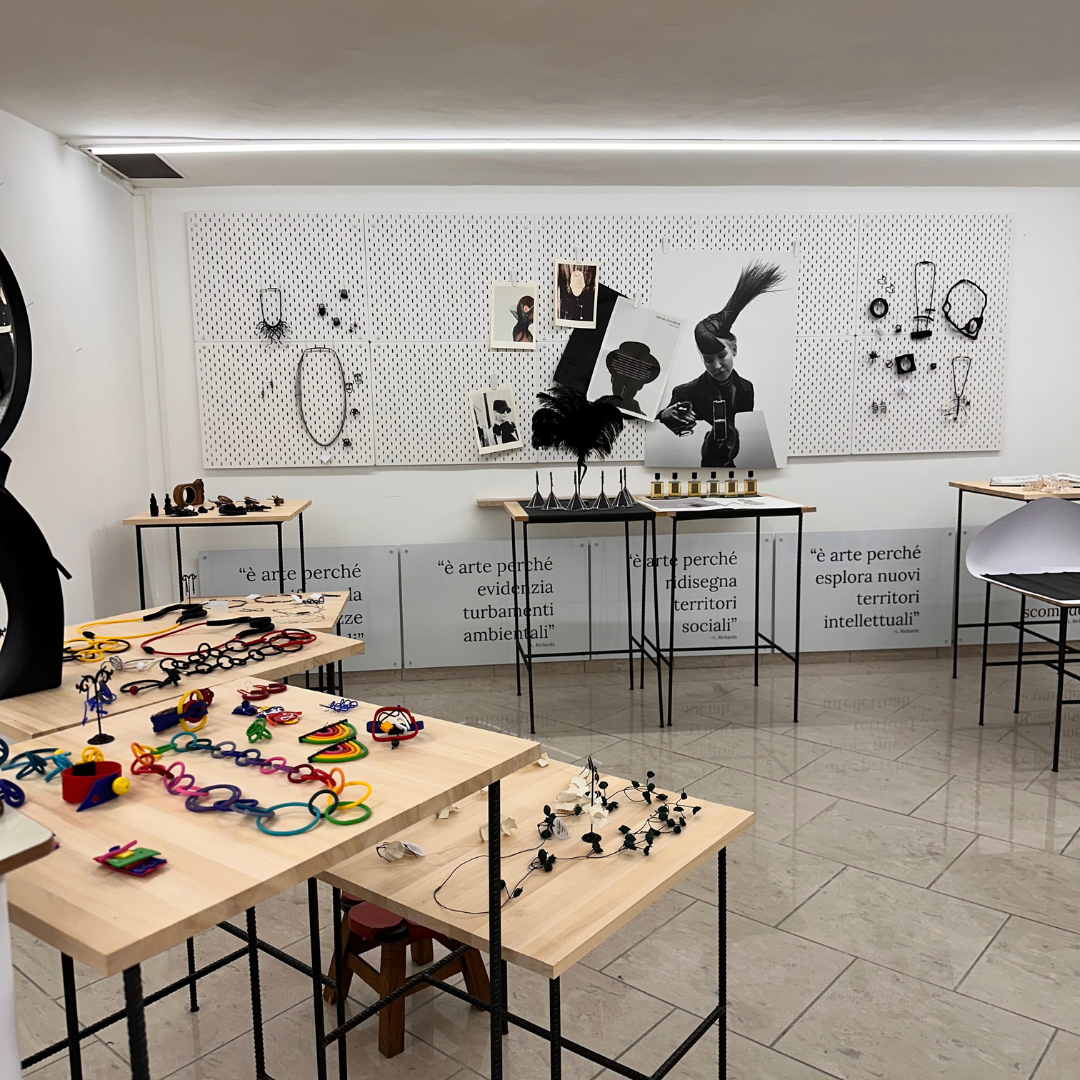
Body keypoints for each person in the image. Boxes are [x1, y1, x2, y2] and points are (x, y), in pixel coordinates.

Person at [657, 261, 783, 467]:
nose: (716, 366)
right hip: (699, 466)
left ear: (734, 349)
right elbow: (665, 428)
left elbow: (747, 432)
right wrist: (664, 415)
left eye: (721, 355)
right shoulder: (685, 392)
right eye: (708, 359)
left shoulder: (746, 389)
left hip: (736, 465)